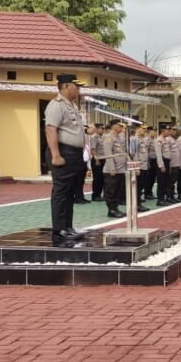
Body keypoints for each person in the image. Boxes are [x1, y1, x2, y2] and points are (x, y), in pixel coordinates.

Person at [43, 74, 88, 241]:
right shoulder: (56, 105)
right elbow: (50, 129)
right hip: (63, 152)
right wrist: (56, 155)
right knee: (61, 192)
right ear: (66, 86)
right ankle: (59, 229)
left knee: (70, 191)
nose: (78, 89)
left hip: (74, 154)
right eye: (76, 86)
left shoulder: (71, 105)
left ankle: (68, 227)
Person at [99, 120, 127, 218]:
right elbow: (108, 153)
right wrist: (112, 168)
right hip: (112, 170)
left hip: (120, 169)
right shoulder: (109, 137)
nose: (122, 128)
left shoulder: (119, 138)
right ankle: (111, 210)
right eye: (120, 126)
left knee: (118, 191)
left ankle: (116, 208)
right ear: (114, 126)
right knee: (111, 191)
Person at [155, 127, 174, 206]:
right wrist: (161, 165)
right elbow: (159, 154)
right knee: (161, 182)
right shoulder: (159, 140)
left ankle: (164, 198)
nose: (169, 132)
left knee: (166, 181)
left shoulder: (165, 140)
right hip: (162, 162)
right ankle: (160, 199)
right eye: (167, 131)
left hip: (167, 162)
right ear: (163, 131)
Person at [89, 124, 105, 202]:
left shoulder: (102, 137)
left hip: (103, 159)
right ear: (97, 129)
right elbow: (93, 149)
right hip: (97, 160)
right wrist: (96, 159)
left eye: (103, 129)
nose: (103, 130)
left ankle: (99, 194)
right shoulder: (94, 137)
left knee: (102, 178)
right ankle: (95, 195)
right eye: (101, 128)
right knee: (97, 178)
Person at [169, 127, 181, 201]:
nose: (175, 132)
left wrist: (180, 164)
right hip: (171, 164)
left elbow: (179, 153)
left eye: (176, 130)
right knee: (170, 181)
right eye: (173, 130)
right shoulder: (168, 140)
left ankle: (172, 196)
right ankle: (169, 196)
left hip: (176, 164)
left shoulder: (177, 140)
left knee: (174, 181)